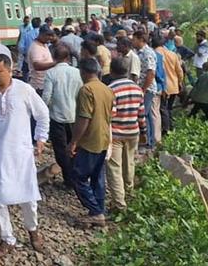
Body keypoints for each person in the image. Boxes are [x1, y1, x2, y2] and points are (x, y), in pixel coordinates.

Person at [0, 54, 49, 255]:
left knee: (28, 197)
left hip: (21, 153)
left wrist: (40, 138)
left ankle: (33, 231)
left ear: (10, 70)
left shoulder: (24, 90)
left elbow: (43, 114)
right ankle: (7, 238)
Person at [67, 58, 114, 227]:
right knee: (97, 177)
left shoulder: (86, 90)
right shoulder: (107, 90)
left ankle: (95, 211)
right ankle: (99, 209)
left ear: (83, 72)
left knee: (78, 177)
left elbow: (83, 119)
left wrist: (74, 141)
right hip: (103, 139)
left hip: (90, 141)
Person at [106, 58, 146, 210]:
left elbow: (111, 114)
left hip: (116, 133)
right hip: (133, 132)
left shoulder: (111, 89)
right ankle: (129, 193)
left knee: (114, 167)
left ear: (111, 71)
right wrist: (144, 132)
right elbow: (141, 115)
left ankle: (119, 203)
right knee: (129, 163)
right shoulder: (137, 89)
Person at [42, 44, 83, 188]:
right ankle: (77, 178)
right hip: (76, 118)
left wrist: (43, 113)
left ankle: (69, 180)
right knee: (75, 148)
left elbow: (46, 97)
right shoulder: (78, 73)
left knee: (61, 151)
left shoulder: (51, 73)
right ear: (68, 58)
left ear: (54, 57)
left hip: (57, 118)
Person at [132, 31, 159, 149]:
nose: (133, 42)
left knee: (144, 115)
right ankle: (148, 141)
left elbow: (151, 73)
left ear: (141, 39)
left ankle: (149, 142)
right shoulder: (139, 52)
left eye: (134, 39)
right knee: (145, 116)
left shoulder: (147, 53)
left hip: (147, 89)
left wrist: (143, 89)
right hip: (143, 88)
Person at [153, 35, 184, 134]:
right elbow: (179, 71)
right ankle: (171, 126)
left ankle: (165, 129)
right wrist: (179, 82)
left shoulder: (154, 54)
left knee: (162, 108)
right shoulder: (173, 54)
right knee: (168, 108)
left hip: (162, 86)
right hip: (174, 86)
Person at [28, 25, 56, 95]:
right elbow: (37, 66)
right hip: (39, 86)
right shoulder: (35, 47)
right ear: (41, 34)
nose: (50, 37)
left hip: (45, 84)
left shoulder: (44, 44)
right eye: (48, 35)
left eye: (51, 35)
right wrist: (55, 63)